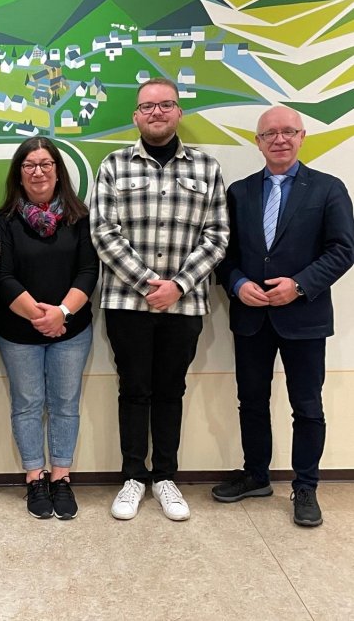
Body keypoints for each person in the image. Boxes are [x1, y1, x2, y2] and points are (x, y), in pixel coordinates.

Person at [90, 78, 229, 522]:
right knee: (133, 389)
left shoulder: (207, 168)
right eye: (147, 107)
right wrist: (151, 283)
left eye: (165, 105)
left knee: (171, 390)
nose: (156, 113)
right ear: (136, 115)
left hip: (185, 305)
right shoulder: (113, 165)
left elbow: (218, 236)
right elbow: (103, 233)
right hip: (127, 303)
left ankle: (165, 477)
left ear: (178, 112)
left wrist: (179, 285)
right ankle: (134, 476)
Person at [212, 106, 354, 527]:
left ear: (302, 136)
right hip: (251, 316)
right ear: (257, 142)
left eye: (288, 131)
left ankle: (306, 486)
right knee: (251, 401)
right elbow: (223, 252)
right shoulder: (239, 192)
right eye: (269, 133)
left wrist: (300, 284)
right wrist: (237, 283)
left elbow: (344, 250)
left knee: (307, 405)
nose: (279, 139)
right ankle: (256, 474)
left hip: (304, 317)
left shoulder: (329, 189)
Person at [0, 137, 98, 520]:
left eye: (45, 164)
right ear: (19, 174)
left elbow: (89, 271)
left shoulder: (80, 216)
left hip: (71, 330)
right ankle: (34, 477)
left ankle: (61, 476)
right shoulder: (3, 219)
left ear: (58, 170)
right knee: (26, 405)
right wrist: (39, 316)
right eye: (29, 165)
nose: (38, 171)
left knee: (65, 405)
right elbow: (2, 276)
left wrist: (62, 314)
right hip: (17, 331)